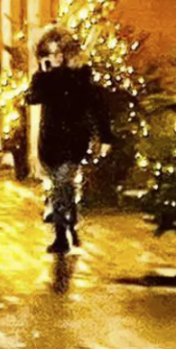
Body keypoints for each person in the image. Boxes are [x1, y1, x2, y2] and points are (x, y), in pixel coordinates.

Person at [27, 26, 113, 255]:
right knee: (60, 187)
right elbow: (32, 98)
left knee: (60, 185)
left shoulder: (80, 78)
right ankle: (71, 220)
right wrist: (43, 74)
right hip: (49, 141)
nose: (55, 58)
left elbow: (96, 107)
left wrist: (105, 136)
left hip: (73, 140)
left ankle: (60, 236)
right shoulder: (45, 78)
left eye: (58, 53)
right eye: (50, 54)